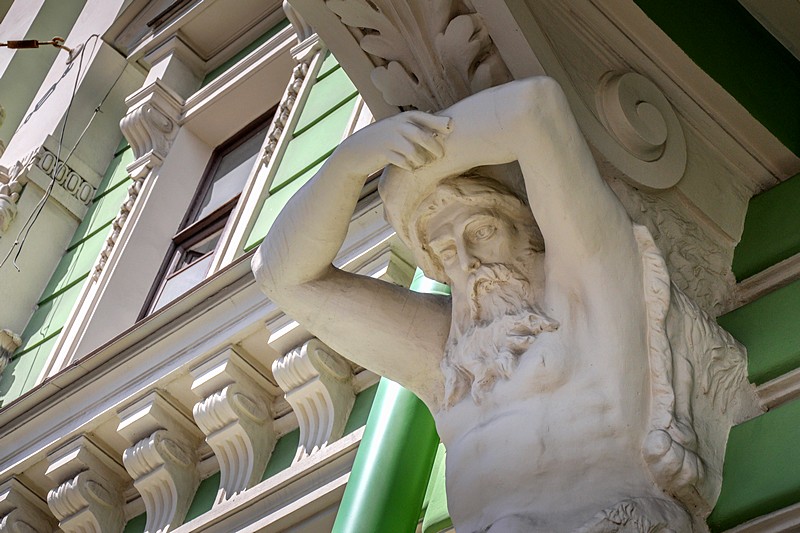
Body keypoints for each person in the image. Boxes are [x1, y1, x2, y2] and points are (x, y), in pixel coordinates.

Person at [252, 77, 692, 531]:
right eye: (445, 252)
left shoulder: (583, 290)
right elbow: (282, 277)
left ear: (529, 228)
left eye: (481, 232)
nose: (467, 262)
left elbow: (533, 109)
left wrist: (406, 178)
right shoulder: (449, 355)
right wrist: (347, 164)